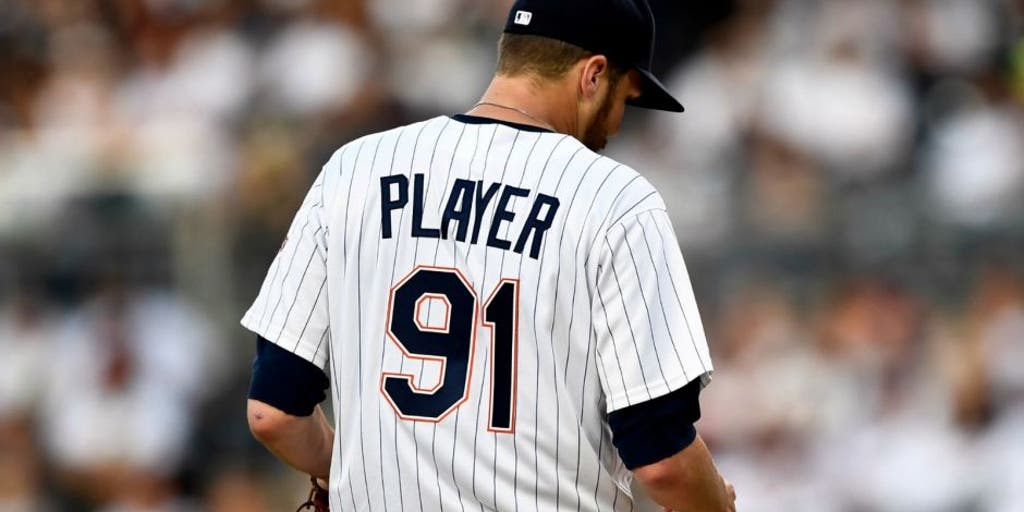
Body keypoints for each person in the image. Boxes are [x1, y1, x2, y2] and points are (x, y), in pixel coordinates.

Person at [242, 0, 736, 510]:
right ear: (593, 76)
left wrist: (346, 473)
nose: (615, 123)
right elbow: (662, 458)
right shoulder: (615, 200)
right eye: (624, 98)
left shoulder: (353, 170)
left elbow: (273, 412)